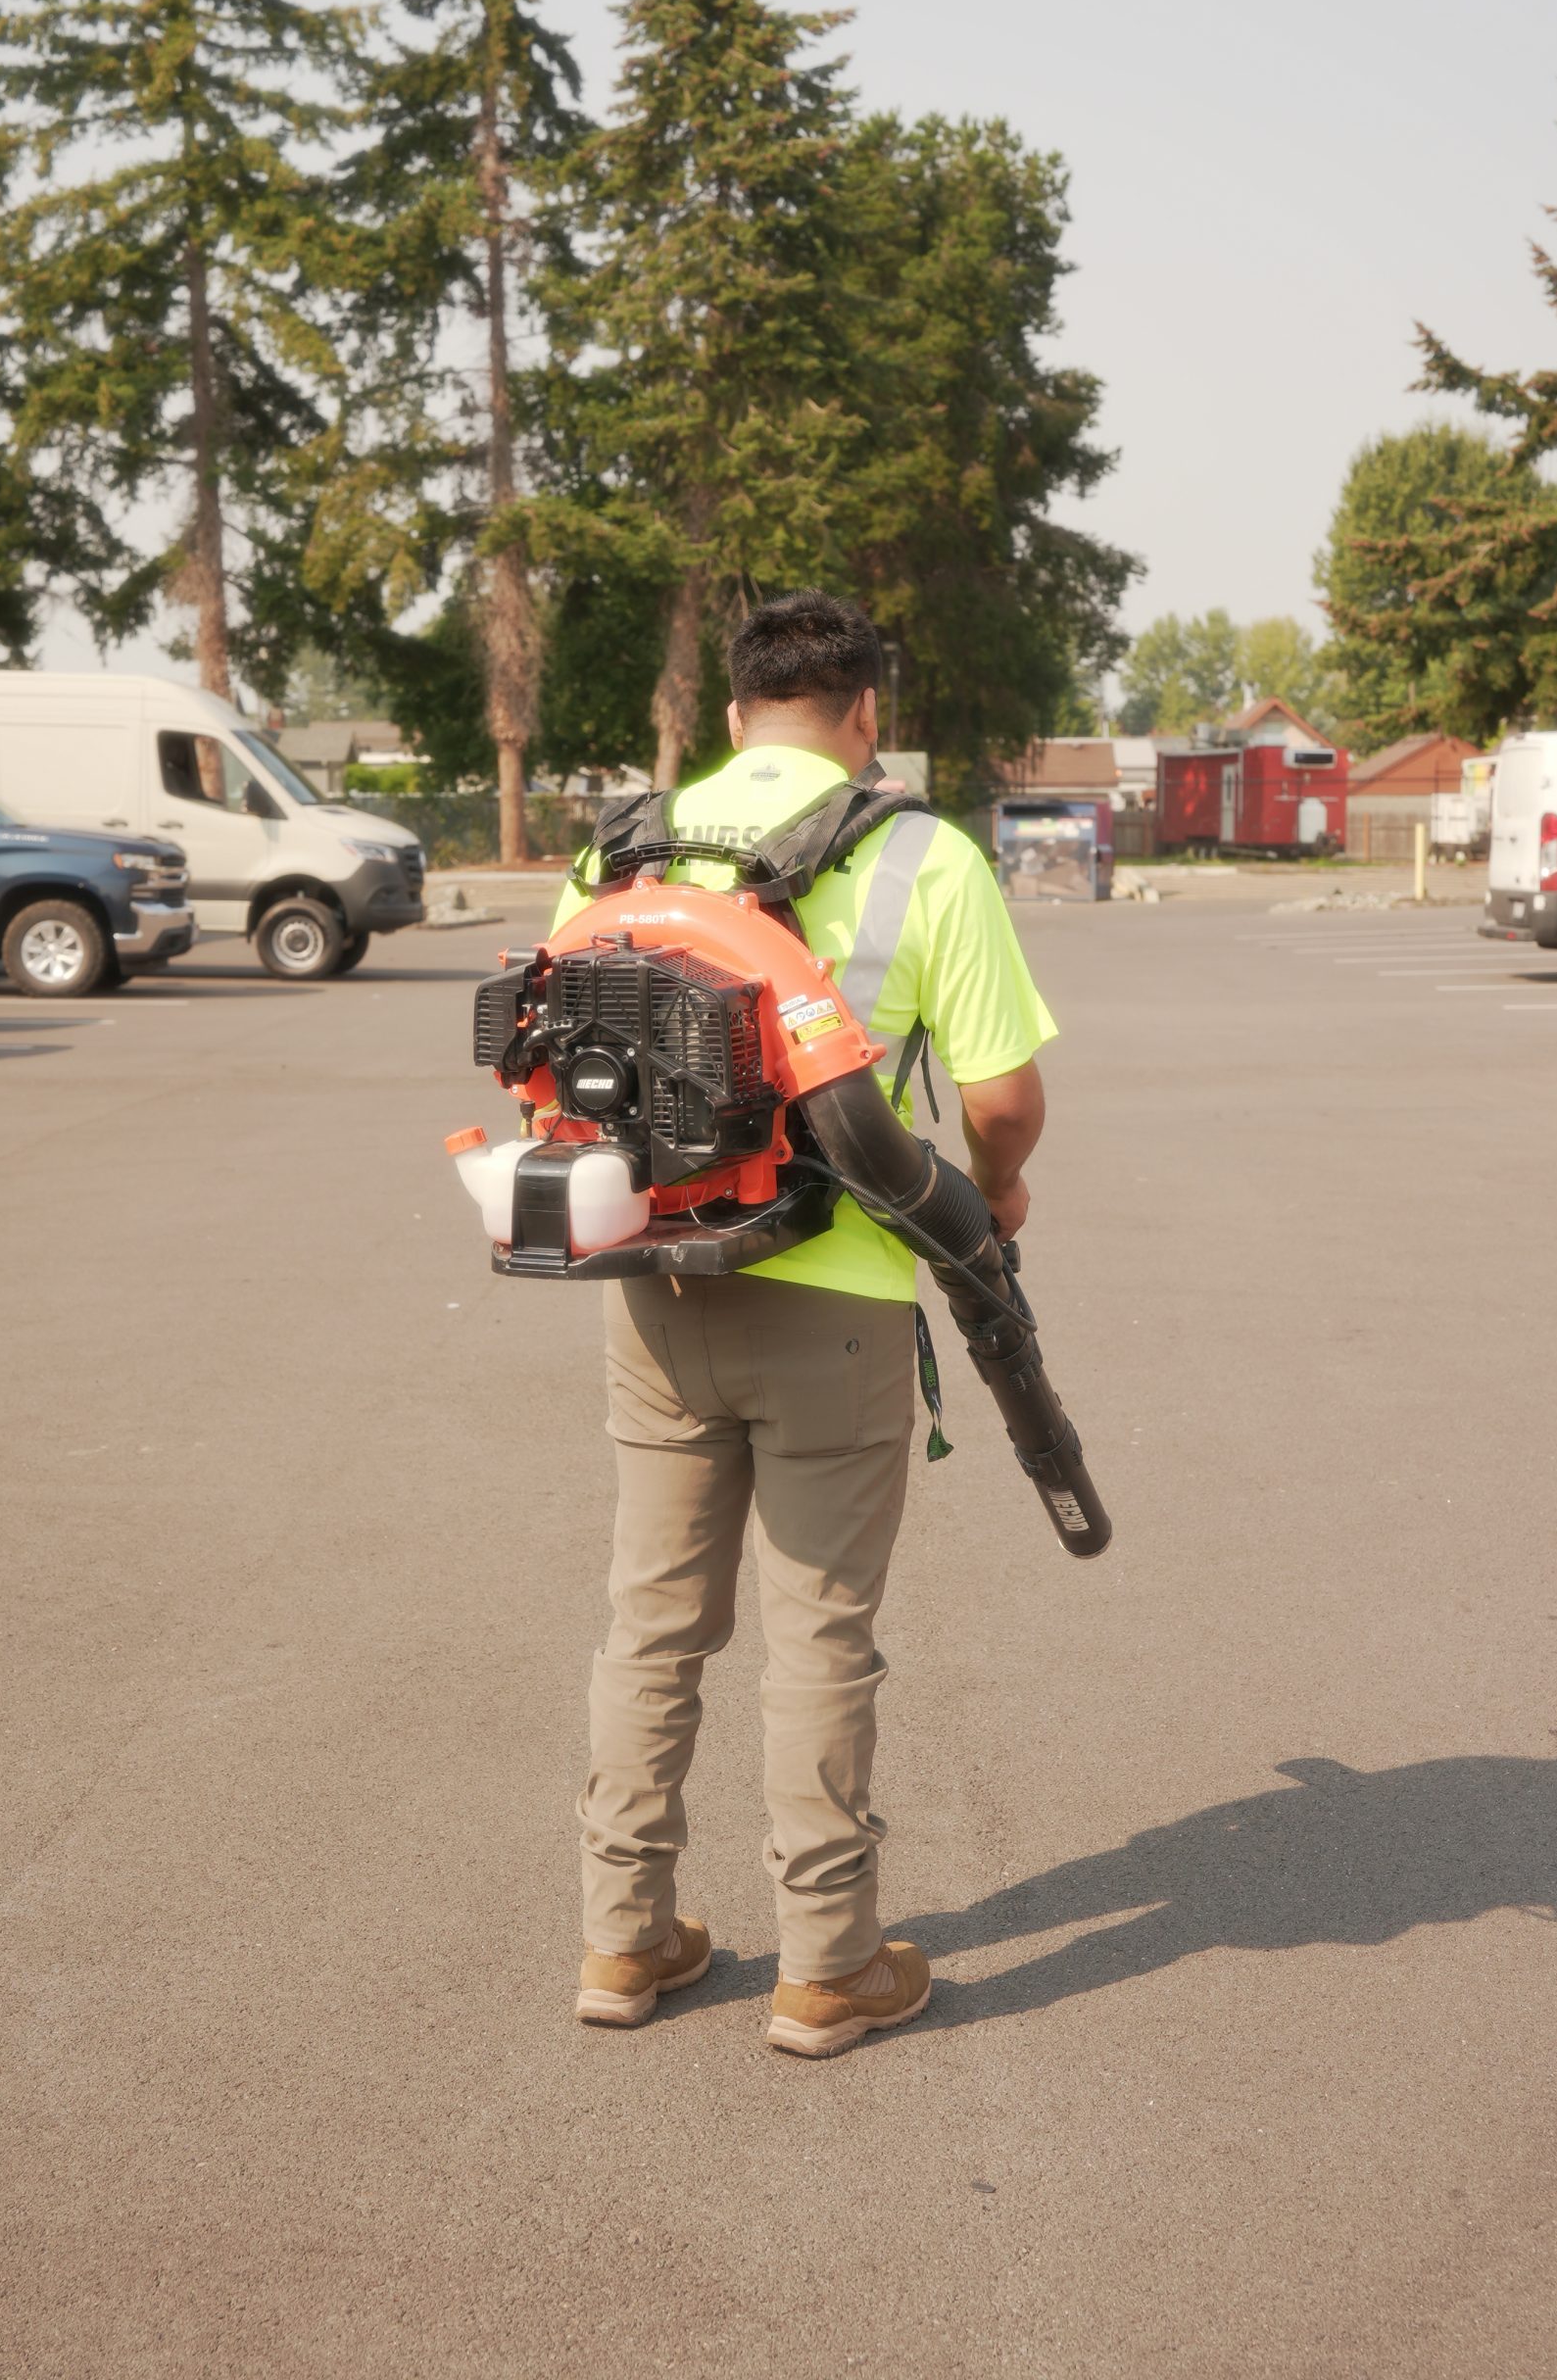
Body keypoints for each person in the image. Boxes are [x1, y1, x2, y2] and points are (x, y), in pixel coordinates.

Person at [563, 590, 1056, 2057]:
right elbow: (1001, 1099)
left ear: (730, 717)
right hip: (835, 1295)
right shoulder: (922, 854)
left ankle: (625, 1940)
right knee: (820, 1637)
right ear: (865, 717)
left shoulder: (617, 845)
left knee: (650, 1627)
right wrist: (999, 1196)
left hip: (652, 1289)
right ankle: (828, 1964)